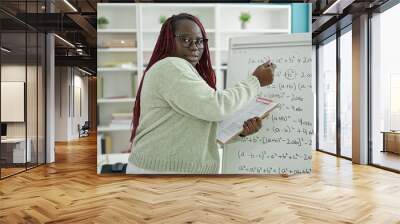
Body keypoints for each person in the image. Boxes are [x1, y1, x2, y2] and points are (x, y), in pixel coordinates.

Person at [126, 13, 275, 174]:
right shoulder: (171, 66)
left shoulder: (184, 71)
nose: (194, 46)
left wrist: (241, 132)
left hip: (170, 172)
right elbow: (215, 106)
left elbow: (205, 126)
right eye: (185, 39)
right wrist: (256, 81)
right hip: (161, 175)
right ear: (169, 40)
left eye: (199, 41)